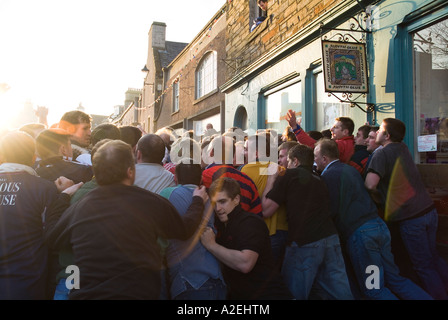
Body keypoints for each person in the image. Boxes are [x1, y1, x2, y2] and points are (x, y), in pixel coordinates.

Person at [44, 140, 209, 300]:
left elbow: (52, 237)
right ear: (130, 171)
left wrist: (64, 197)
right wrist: (197, 201)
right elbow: (185, 230)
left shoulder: (80, 207)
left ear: (96, 172)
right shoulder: (152, 202)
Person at [314, 138, 433, 300]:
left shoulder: (329, 176)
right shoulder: (350, 169)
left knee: (374, 289)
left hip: (363, 236)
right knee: (395, 279)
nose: (314, 161)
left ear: (324, 158)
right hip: (378, 227)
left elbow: (331, 209)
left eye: (315, 157)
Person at [365, 118, 448, 300]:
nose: (377, 132)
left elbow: (370, 185)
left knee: (423, 265)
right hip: (428, 210)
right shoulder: (403, 148)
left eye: (379, 130)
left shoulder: (382, 153)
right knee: (433, 258)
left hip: (411, 217)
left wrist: (382, 201)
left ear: (387, 135)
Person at [261, 144, 353, 300]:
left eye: (287, 160)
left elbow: (266, 210)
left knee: (294, 293)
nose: (284, 164)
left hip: (304, 242)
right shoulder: (319, 178)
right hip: (331, 239)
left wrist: (271, 178)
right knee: (339, 293)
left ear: (295, 162)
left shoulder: (289, 176)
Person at [0, 130, 79, 300]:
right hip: (25, 283)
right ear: (33, 157)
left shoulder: (45, 188)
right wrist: (63, 196)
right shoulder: (43, 188)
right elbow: (52, 234)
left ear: (2, 156)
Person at [200, 177, 292, 300]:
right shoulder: (224, 225)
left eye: (222, 202)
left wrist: (212, 245)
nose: (218, 209)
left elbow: (245, 263)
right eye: (214, 204)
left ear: (236, 199)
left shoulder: (250, 222)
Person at [160, 160, 227, 300]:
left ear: (175, 178)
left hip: (189, 282)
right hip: (217, 279)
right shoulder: (210, 198)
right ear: (201, 178)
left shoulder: (168, 194)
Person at [240, 133, 289, 271]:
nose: (243, 152)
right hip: (282, 231)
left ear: (256, 153)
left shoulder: (245, 170)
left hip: (258, 232)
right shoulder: (280, 170)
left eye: (246, 149)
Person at [202, 135, 262, 216]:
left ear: (211, 152)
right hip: (244, 226)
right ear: (233, 155)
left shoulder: (206, 175)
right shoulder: (248, 181)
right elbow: (257, 214)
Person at [285, 109, 355, 163]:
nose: (331, 129)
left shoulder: (341, 145)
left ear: (345, 132)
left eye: (336, 127)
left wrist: (295, 128)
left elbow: (314, 145)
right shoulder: (349, 143)